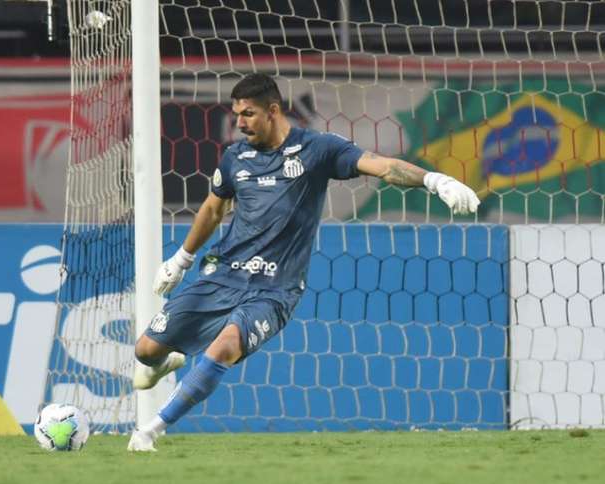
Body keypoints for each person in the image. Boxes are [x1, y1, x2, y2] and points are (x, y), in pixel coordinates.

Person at [127, 73, 479, 451]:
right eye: (237, 114)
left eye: (248, 114)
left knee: (225, 345)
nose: (240, 123)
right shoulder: (234, 158)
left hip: (274, 290)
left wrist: (434, 181)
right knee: (145, 351)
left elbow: (380, 165)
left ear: (273, 111)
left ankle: (151, 430)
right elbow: (213, 210)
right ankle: (168, 357)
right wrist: (181, 260)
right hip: (223, 275)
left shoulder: (317, 149)